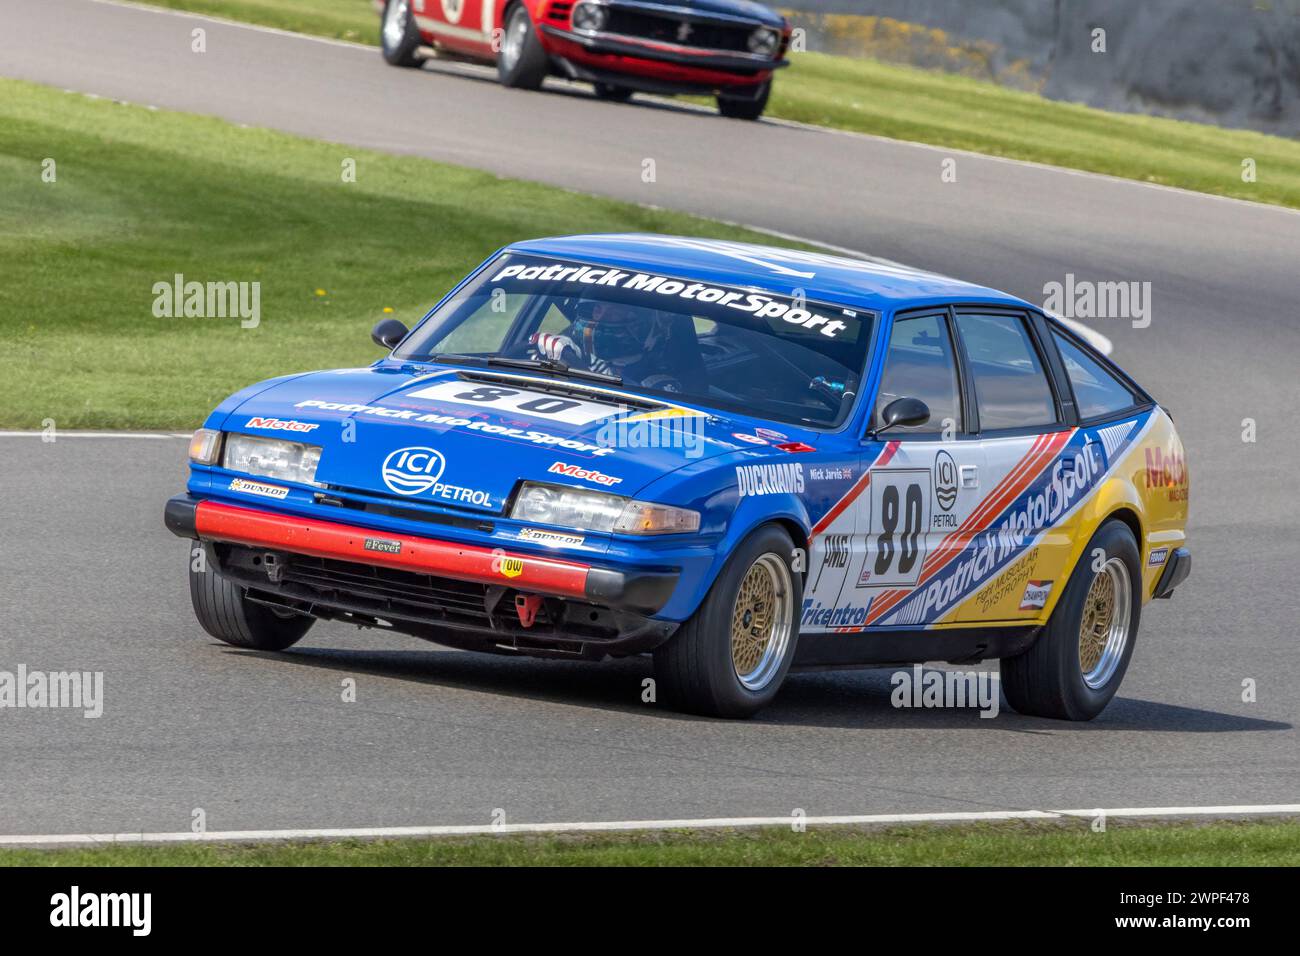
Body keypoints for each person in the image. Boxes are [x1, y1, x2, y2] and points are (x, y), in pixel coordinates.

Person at [530, 299, 686, 391]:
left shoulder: (661, 383)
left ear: (645, 325)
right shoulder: (571, 353)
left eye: (615, 312)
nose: (602, 317)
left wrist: (590, 368)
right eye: (598, 309)